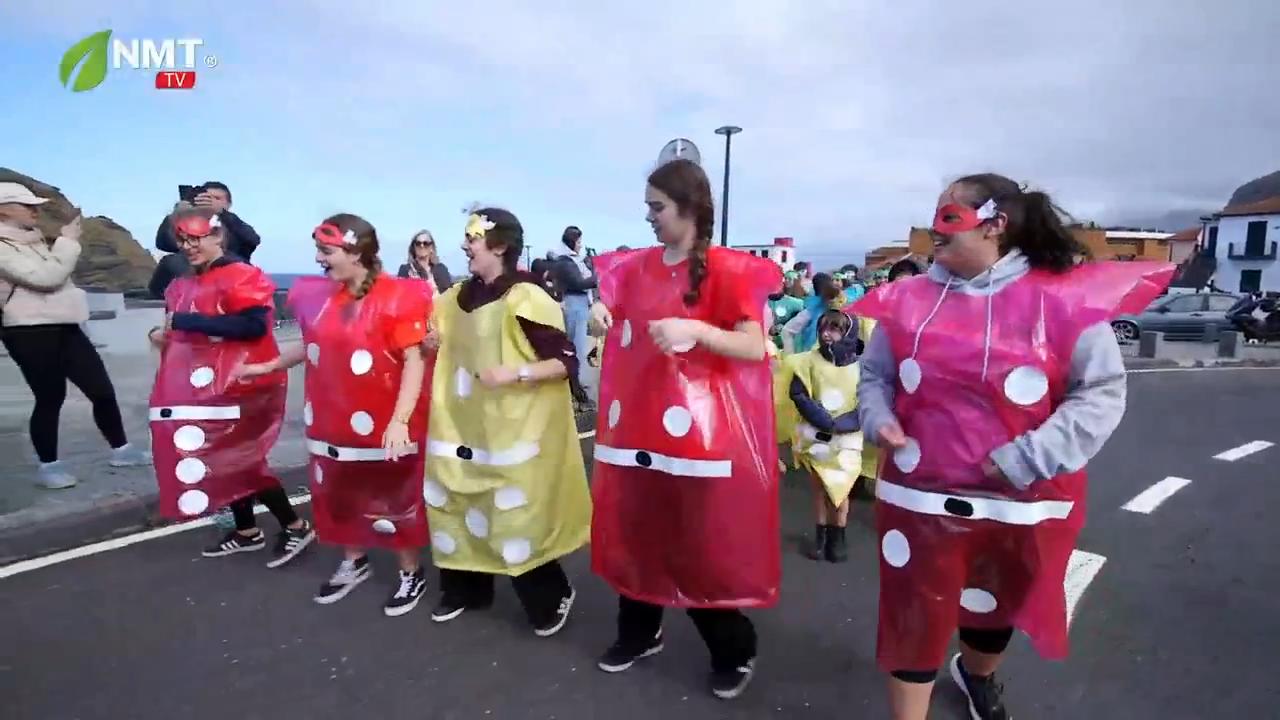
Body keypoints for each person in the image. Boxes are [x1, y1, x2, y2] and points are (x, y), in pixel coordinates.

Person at [854, 173, 1174, 720]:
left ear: (995, 224)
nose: (934, 229)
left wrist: (1027, 457)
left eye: (948, 216)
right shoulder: (907, 301)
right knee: (913, 619)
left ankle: (976, 674)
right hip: (918, 500)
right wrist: (877, 417)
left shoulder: (1063, 300)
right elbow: (875, 375)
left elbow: (1099, 393)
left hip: (1020, 504)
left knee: (992, 613)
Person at [587, 159, 781, 700]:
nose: (649, 217)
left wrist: (695, 329)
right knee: (637, 535)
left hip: (701, 435)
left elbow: (753, 346)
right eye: (648, 207)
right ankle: (639, 633)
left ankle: (733, 646)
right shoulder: (635, 267)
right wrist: (599, 312)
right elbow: (609, 303)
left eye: (657, 207)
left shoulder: (727, 270)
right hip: (637, 428)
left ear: (689, 209)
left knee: (698, 545)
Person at [238, 214, 432, 617]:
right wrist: (267, 366)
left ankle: (410, 572)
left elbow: (413, 360)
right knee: (340, 491)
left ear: (355, 253)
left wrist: (400, 419)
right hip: (331, 415)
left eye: (326, 251)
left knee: (392, 496)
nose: (318, 259)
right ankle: (354, 560)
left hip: (382, 418)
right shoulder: (325, 299)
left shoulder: (397, 297)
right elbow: (311, 344)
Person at [421, 208, 591, 637]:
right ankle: (466, 590)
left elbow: (565, 362)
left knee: (514, 515)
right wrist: (431, 343)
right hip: (460, 422)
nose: (464, 246)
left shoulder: (526, 296)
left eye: (472, 238)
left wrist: (515, 373)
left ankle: (551, 595)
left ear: (498, 246)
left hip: (513, 428)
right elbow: (440, 342)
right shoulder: (453, 299)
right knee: (455, 502)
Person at [146, 207, 314, 565]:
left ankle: (295, 524)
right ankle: (247, 530)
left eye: (196, 238)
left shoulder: (241, 275)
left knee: (243, 460)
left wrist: (186, 321)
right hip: (208, 387)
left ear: (217, 236)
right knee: (222, 458)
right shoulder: (183, 284)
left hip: (246, 381)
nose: (188, 246)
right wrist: (162, 333)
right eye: (183, 240)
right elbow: (180, 328)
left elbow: (254, 326)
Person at [0, 181, 150, 489]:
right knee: (50, 397)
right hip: (28, 331)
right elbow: (47, 278)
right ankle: (49, 466)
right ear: (4, 210)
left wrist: (62, 245)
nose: (35, 211)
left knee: (101, 390)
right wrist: (67, 242)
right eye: (27, 205)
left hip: (66, 325)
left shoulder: (35, 240)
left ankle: (122, 450)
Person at [781, 309, 864, 563]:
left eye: (835, 329)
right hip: (817, 437)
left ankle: (838, 535)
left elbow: (869, 399)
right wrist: (822, 419)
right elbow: (799, 393)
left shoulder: (863, 367)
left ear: (848, 333)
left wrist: (845, 423)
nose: (828, 334)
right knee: (819, 488)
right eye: (824, 328)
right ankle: (821, 536)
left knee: (842, 489)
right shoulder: (808, 361)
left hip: (847, 440)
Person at [151, 182, 261, 299]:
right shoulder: (190, 224)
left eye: (217, 198)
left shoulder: (234, 224)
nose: (210, 202)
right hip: (194, 281)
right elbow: (164, 244)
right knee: (172, 261)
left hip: (231, 282)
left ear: (229, 204)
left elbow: (253, 240)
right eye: (206, 197)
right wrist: (177, 214)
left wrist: (222, 213)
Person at [552, 225, 597, 404]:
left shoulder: (571, 260)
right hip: (575, 304)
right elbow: (579, 283)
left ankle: (576, 384)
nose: (580, 245)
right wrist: (597, 277)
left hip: (579, 304)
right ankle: (576, 386)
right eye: (578, 242)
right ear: (572, 242)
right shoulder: (565, 262)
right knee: (576, 346)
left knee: (579, 344)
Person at [781, 271, 843, 354]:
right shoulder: (813, 309)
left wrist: (790, 356)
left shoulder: (810, 309)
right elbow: (787, 330)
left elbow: (787, 330)